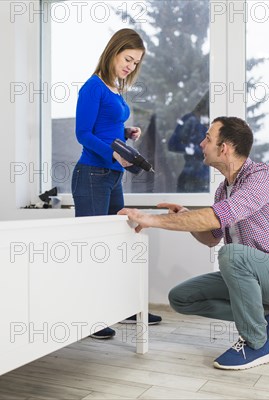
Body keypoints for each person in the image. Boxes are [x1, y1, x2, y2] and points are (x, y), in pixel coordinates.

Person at [118, 116, 269, 369]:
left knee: (231, 255)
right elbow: (211, 238)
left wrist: (149, 219)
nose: (201, 144)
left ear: (224, 148)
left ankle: (256, 344)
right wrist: (185, 216)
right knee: (182, 298)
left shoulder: (261, 177)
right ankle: (267, 314)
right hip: (253, 274)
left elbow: (216, 217)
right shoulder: (223, 190)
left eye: (207, 138)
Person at [71, 28, 162, 339]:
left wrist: (125, 134)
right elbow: (83, 134)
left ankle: (122, 307)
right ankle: (91, 317)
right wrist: (113, 150)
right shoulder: (92, 87)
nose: (130, 67)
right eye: (128, 59)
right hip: (92, 175)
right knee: (93, 248)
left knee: (119, 244)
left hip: (112, 176)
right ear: (114, 51)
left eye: (136, 63)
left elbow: (105, 127)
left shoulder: (114, 88)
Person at [168, 92, 211, 192]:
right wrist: (194, 150)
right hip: (192, 178)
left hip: (206, 179)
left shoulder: (212, 123)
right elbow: (173, 144)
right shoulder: (190, 120)